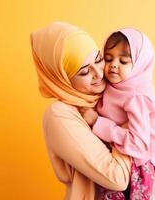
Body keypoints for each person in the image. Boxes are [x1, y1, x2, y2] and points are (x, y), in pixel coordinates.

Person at [30, 22, 131, 200]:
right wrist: (129, 126)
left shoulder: (111, 96)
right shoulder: (60, 115)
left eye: (99, 59)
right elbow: (117, 178)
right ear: (62, 79)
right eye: (85, 72)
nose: (99, 74)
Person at [79, 28, 155, 200]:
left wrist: (98, 123)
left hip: (140, 168)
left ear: (139, 65)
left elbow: (138, 145)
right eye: (108, 59)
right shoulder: (112, 86)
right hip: (117, 161)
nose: (114, 64)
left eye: (123, 61)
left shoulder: (136, 96)